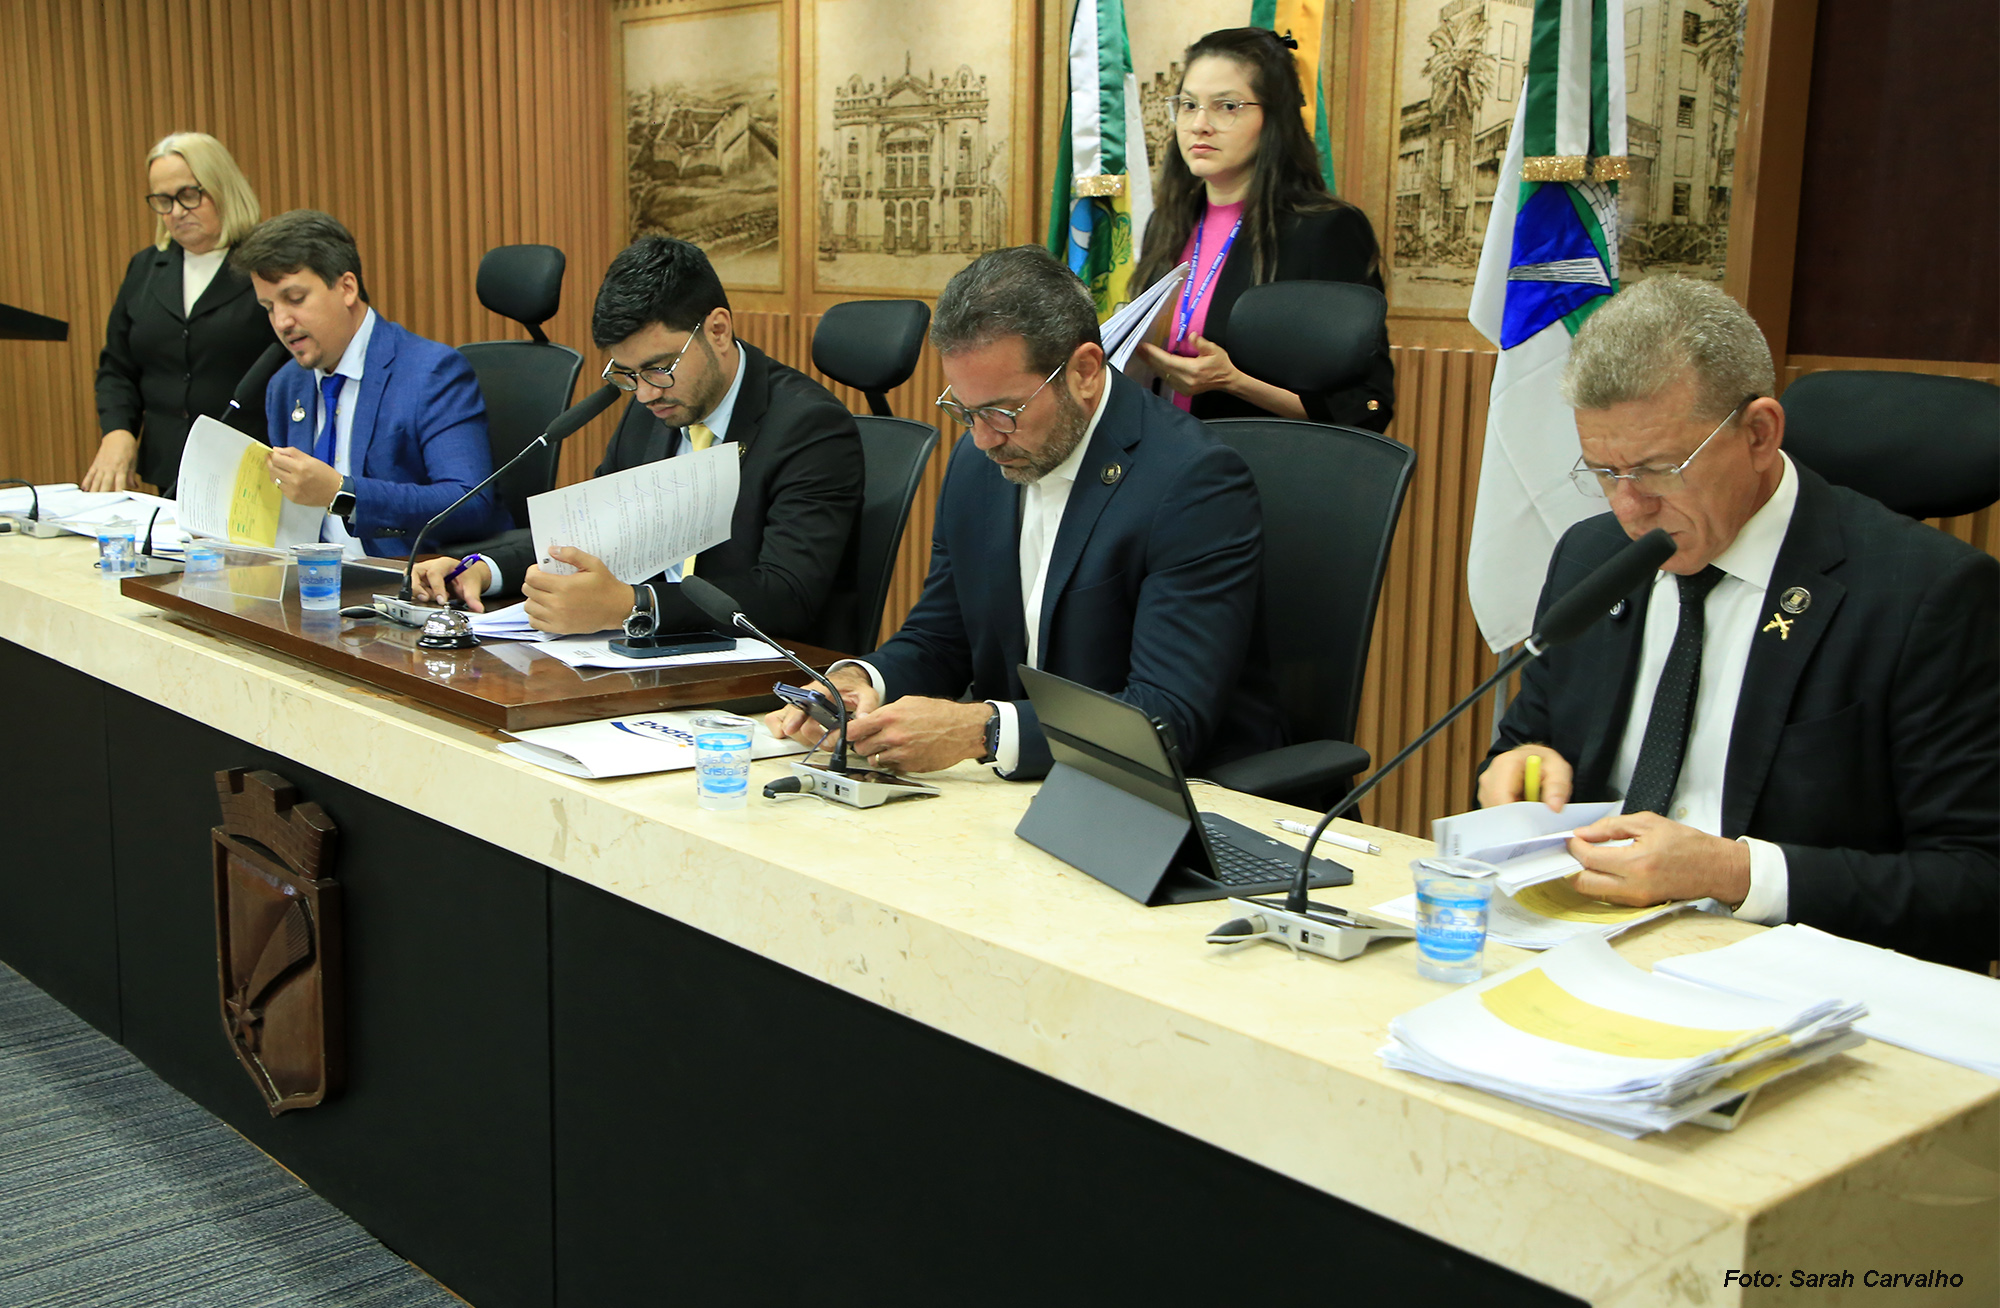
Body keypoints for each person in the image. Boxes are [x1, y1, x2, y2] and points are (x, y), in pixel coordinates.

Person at [1478, 276, 1997, 973]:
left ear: (1758, 434)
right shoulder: (1591, 557)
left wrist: (1734, 873)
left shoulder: (1929, 596)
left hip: (1799, 978)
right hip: (1586, 951)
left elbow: (1978, 884)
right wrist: (1521, 771)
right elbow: (1527, 743)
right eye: (1603, 472)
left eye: (1659, 469)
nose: (1629, 509)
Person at [766, 246, 1283, 780]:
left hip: (1181, 794)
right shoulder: (978, 461)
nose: (983, 438)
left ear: (1084, 371)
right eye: (964, 411)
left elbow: (1166, 716)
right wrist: (860, 681)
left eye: (1002, 411)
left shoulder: (1193, 481)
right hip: (1025, 785)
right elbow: (942, 638)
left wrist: (984, 730)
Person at [409, 237, 863, 645]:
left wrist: (633, 605)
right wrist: (483, 569)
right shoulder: (655, 409)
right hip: (642, 653)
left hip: (760, 670)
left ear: (718, 330)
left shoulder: (809, 427)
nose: (644, 393)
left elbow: (786, 596)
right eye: (626, 374)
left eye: (658, 368)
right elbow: (591, 534)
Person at [1131, 27, 1393, 430]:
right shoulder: (1166, 223)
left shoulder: (1326, 230)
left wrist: (1235, 382)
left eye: (1226, 107)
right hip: (1161, 454)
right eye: (1188, 105)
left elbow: (1367, 405)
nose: (1199, 124)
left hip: (1260, 460)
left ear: (1272, 118)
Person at [233, 210, 509, 557]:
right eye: (269, 307)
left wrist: (342, 493)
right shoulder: (286, 385)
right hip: (313, 578)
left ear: (347, 288)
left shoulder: (431, 372)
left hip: (405, 577)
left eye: (295, 299)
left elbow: (469, 502)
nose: (281, 321)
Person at [89, 132, 273, 495]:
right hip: (171, 471)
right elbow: (117, 368)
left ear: (222, 188)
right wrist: (118, 431)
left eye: (189, 195)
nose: (175, 212)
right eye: (163, 200)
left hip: (254, 470)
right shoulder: (145, 268)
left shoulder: (268, 263)